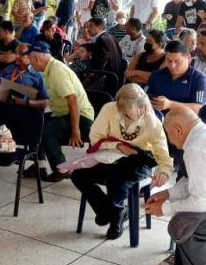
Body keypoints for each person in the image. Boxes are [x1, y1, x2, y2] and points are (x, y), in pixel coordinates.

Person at [72, 84, 172, 239]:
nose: (142, 110)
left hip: (138, 159)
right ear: (122, 107)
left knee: (117, 181)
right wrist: (117, 145)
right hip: (108, 154)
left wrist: (164, 171)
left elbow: (162, 152)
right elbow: (94, 137)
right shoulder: (109, 109)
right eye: (137, 108)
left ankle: (115, 217)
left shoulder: (151, 120)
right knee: (78, 175)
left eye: (143, 106)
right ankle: (110, 210)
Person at [146, 107, 206, 265]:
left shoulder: (196, 148)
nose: (170, 141)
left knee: (188, 226)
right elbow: (196, 182)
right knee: (186, 219)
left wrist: (165, 208)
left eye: (168, 134)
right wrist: (167, 194)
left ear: (178, 129)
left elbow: (203, 203)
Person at [28, 41, 94, 182]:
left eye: (31, 61)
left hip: (80, 117)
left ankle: (62, 169)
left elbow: (73, 101)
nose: (30, 64)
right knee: (35, 123)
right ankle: (40, 166)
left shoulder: (57, 71)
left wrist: (76, 131)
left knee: (46, 130)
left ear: (37, 59)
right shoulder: (47, 70)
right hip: (63, 113)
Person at [147, 40, 206, 116]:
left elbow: (200, 109)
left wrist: (170, 104)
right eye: (169, 61)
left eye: (177, 61)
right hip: (156, 121)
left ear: (188, 57)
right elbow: (143, 98)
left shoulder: (199, 79)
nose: (172, 66)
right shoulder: (156, 75)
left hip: (184, 124)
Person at [86, 17, 124, 84]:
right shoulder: (110, 37)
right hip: (115, 75)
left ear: (100, 28)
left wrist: (90, 76)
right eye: (88, 26)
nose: (88, 29)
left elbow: (100, 64)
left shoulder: (101, 40)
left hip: (106, 78)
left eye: (91, 26)